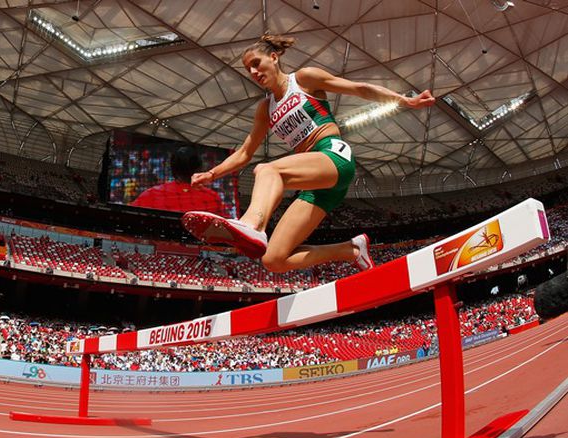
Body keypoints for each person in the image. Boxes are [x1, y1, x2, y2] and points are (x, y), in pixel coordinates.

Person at [183, 33, 435, 272]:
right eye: (248, 69)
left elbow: (358, 88)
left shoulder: (303, 79)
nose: (253, 72)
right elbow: (245, 152)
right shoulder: (265, 109)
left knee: (267, 169)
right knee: (274, 259)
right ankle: (351, 250)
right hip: (316, 184)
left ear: (274, 57)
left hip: (333, 156)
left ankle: (251, 224)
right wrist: (211, 174)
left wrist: (404, 100)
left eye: (256, 63)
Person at [131, 146, 227, 216]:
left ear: (173, 168)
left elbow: (129, 216)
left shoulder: (152, 194)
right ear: (199, 168)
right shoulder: (212, 197)